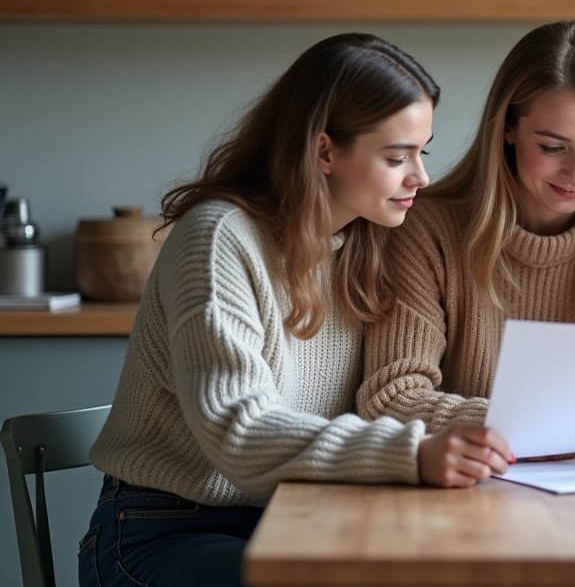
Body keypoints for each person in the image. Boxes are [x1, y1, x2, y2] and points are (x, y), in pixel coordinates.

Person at [82, 34, 514, 587]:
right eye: (396, 156)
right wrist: (414, 454)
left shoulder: (363, 247)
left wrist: (521, 430)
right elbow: (239, 431)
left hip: (296, 517)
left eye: (420, 152)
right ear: (325, 150)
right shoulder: (218, 239)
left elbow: (393, 395)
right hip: (164, 529)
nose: (420, 178)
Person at [357, 20, 575, 445]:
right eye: (553, 147)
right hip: (463, 493)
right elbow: (390, 398)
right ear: (508, 130)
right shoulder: (425, 231)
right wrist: (532, 425)